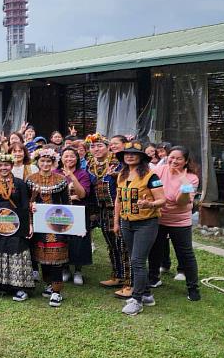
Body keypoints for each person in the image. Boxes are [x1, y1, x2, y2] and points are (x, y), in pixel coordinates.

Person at [114, 141, 166, 316]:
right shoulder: (122, 174)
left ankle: (137, 300)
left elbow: (162, 200)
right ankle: (147, 295)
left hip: (146, 222)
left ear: (141, 157)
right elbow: (118, 200)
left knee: (137, 260)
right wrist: (116, 222)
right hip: (126, 222)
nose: (129, 156)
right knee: (134, 259)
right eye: (126, 154)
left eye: (134, 154)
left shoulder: (152, 176)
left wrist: (149, 203)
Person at [147, 146, 201, 301]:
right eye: (172, 157)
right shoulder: (159, 170)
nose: (174, 161)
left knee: (186, 254)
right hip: (158, 217)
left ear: (185, 161)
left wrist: (183, 182)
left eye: (179, 158)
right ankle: (154, 278)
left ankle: (193, 288)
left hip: (180, 221)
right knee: (155, 249)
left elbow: (181, 202)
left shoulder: (191, 178)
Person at [0, 153, 34, 301]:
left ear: (11, 166)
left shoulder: (19, 183)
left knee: (17, 248)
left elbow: (24, 205)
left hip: (16, 223)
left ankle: (18, 286)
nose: (3, 168)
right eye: (0, 165)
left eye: (6, 165)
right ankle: (0, 285)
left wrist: (29, 223)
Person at [85, 133, 131, 297]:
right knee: (111, 245)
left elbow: (131, 179)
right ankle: (117, 275)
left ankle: (129, 282)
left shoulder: (120, 162)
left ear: (107, 147)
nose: (96, 149)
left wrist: (117, 175)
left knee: (122, 244)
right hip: (102, 210)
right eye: (93, 146)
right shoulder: (90, 164)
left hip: (118, 208)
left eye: (100, 146)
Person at [26, 148, 70, 307]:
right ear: (37, 162)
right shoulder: (30, 179)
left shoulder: (60, 180)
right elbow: (26, 202)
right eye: (42, 161)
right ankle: (49, 284)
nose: (45, 164)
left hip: (57, 223)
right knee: (42, 255)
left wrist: (68, 225)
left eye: (48, 161)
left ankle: (57, 292)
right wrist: (31, 206)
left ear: (53, 163)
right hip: (37, 223)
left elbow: (67, 204)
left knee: (56, 256)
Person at [57, 147, 91, 285]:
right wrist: (70, 196)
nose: (69, 159)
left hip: (78, 212)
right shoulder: (55, 173)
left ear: (77, 158)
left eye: (72, 156)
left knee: (78, 241)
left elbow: (82, 194)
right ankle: (65, 269)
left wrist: (72, 176)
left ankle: (78, 270)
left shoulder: (82, 174)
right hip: (60, 211)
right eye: (66, 156)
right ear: (61, 158)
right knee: (62, 238)